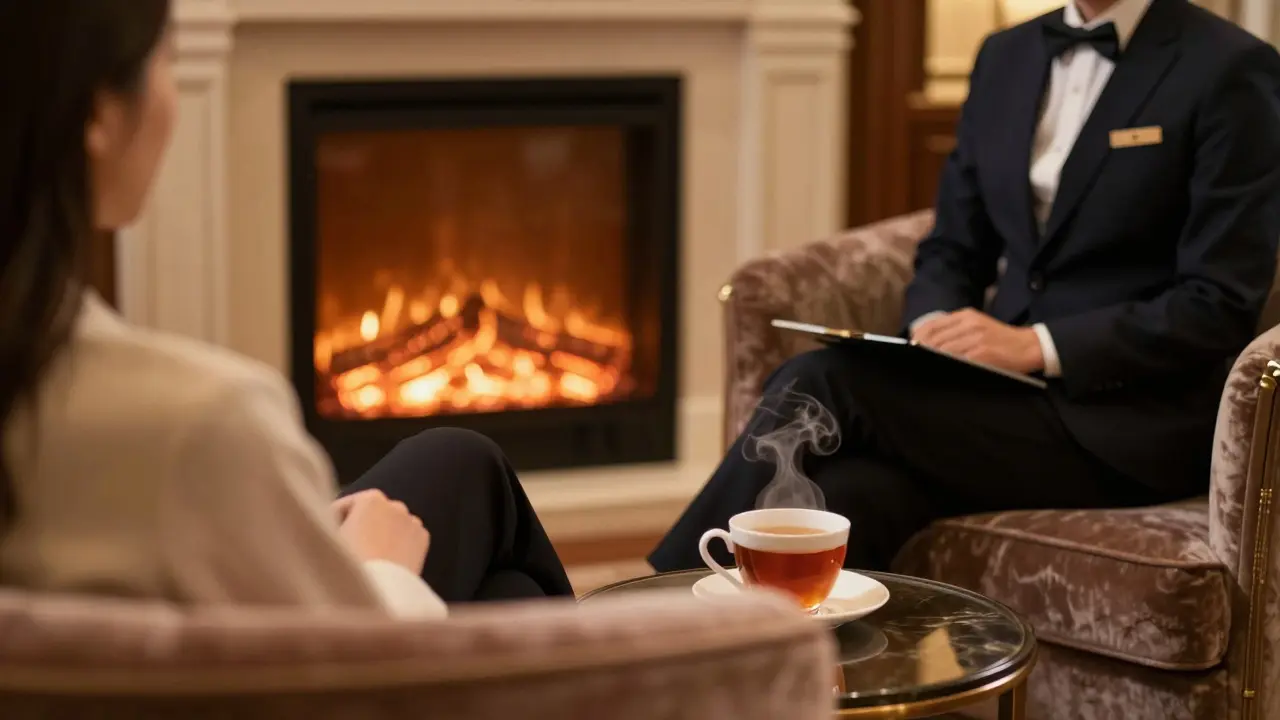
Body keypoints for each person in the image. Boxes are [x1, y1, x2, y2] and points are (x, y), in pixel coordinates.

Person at [652, 0, 1280, 573]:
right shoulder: (1005, 55)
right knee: (849, 498)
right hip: (998, 401)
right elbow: (954, 243)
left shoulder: (1232, 68)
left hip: (1131, 424)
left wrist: (1036, 344)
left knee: (822, 378)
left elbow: (1217, 305)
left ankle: (649, 615)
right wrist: (931, 323)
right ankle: (759, 678)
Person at [0, 0, 573, 616]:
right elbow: (347, 682)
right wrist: (383, 569)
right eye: (166, 59)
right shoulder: (203, 426)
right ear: (100, 113)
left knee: (462, 461)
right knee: (502, 567)